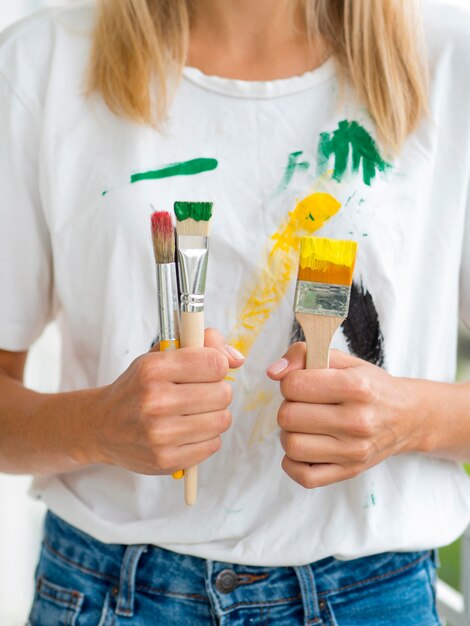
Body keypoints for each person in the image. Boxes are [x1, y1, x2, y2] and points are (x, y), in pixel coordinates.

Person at [0, 0, 469, 623]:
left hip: (373, 596)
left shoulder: (450, 60)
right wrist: (97, 425)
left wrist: (409, 418)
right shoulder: (42, 60)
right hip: (107, 589)